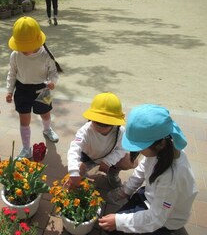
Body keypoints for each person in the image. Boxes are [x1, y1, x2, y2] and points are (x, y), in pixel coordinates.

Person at [99, 104, 198, 234]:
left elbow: (156, 218)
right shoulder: (165, 147)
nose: (137, 151)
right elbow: (143, 166)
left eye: (140, 147)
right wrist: (127, 189)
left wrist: (118, 222)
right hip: (153, 197)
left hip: (166, 219)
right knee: (115, 221)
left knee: (113, 227)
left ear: (160, 144)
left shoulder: (172, 178)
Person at [6, 16, 61, 158]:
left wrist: (52, 82)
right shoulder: (15, 55)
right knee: (24, 119)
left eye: (26, 47)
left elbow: (53, 72)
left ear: (36, 42)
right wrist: (9, 90)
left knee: (45, 112)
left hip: (43, 89)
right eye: (20, 46)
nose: (23, 50)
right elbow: (12, 73)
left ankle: (47, 129)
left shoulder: (46, 55)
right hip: (22, 90)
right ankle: (26, 148)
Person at [67, 92, 138, 189]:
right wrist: (73, 172)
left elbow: (122, 149)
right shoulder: (85, 130)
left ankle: (113, 173)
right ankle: (82, 179)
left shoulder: (120, 131)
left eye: (106, 124)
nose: (101, 127)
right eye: (97, 122)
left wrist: (108, 161)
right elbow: (74, 148)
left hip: (108, 156)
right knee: (78, 168)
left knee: (131, 161)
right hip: (89, 157)